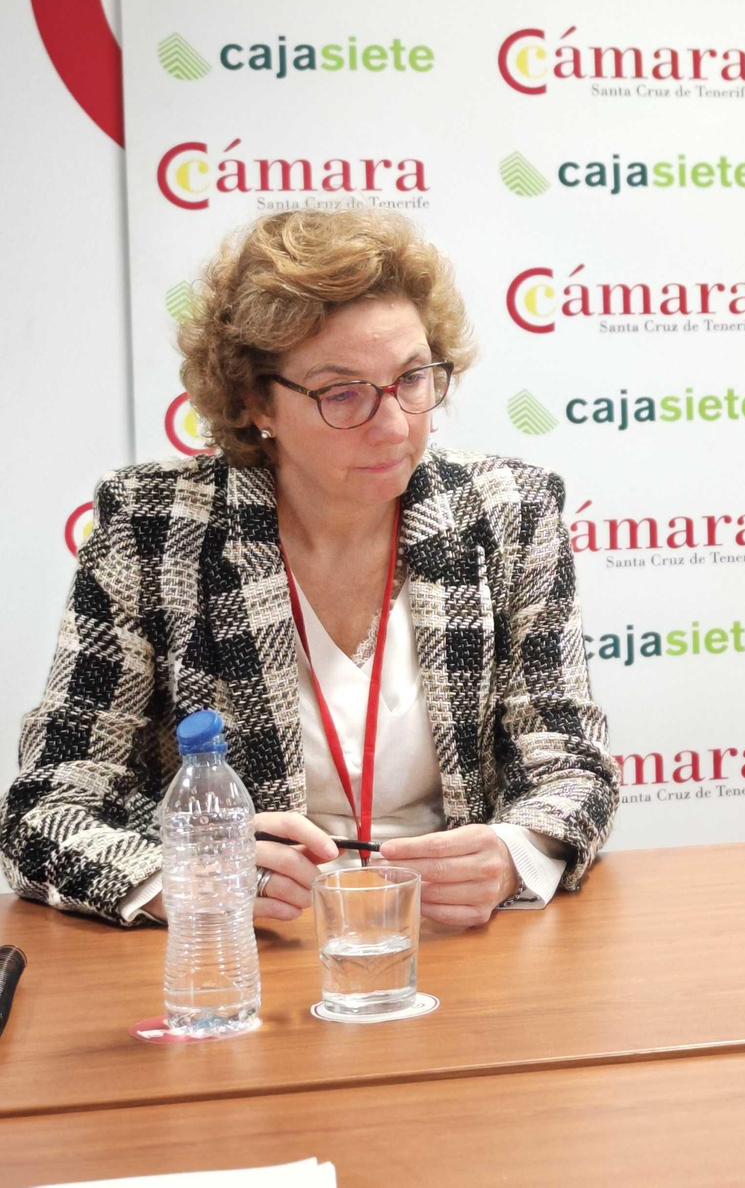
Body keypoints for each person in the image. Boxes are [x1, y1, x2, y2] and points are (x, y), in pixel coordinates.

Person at [2, 211, 618, 928]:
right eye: (342, 392)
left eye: (413, 378)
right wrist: (183, 879)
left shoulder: (510, 511)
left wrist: (516, 851)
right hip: (253, 948)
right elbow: (50, 804)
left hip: (447, 939)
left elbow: (572, 766)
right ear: (256, 401)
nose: (394, 424)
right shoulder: (152, 529)